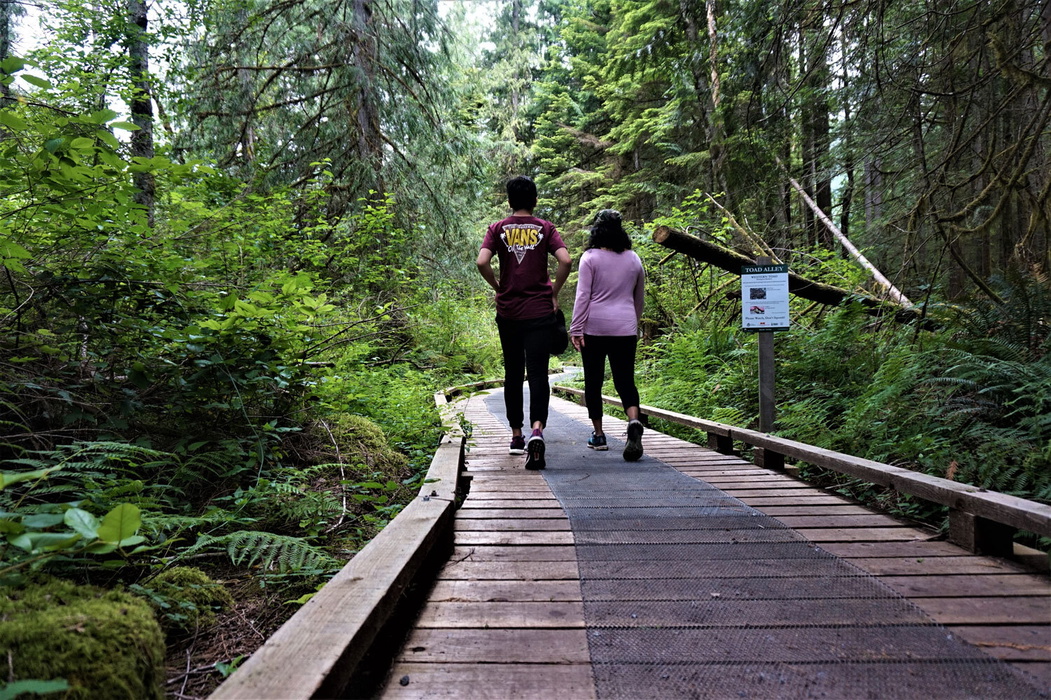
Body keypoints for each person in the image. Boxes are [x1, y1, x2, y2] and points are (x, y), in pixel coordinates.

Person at [477, 176, 572, 470]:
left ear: (509, 201)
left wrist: (498, 287)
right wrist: (553, 292)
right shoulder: (545, 228)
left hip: (509, 313)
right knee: (539, 373)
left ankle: (517, 436)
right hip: (539, 312)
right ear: (535, 200)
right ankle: (537, 430)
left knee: (513, 372)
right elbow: (566, 261)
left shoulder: (497, 228)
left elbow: (481, 262)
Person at [570, 209, 646, 461]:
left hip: (595, 328)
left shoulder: (590, 258)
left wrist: (576, 328)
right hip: (625, 327)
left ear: (596, 231)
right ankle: (633, 421)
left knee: (593, 381)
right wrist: (632, 323)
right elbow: (639, 298)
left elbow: (583, 296)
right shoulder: (634, 259)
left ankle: (599, 435)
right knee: (625, 380)